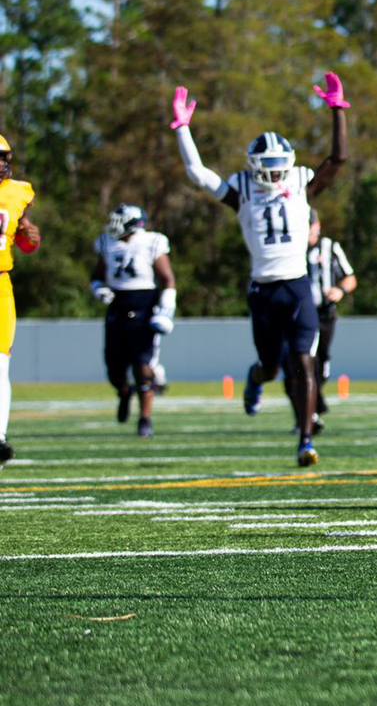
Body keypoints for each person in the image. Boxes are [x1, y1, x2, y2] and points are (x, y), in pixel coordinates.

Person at [170, 76, 348, 467]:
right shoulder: (244, 190)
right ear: (253, 167)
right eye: (264, 168)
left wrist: (338, 110)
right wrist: (183, 129)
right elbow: (199, 174)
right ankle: (254, 380)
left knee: (304, 362)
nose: (271, 175)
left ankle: (305, 439)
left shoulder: (302, 184)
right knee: (270, 365)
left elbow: (337, 161)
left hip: (298, 286)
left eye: (277, 168)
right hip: (264, 290)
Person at [90, 204, 177, 437]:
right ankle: (123, 391)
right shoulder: (106, 243)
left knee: (143, 366)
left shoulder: (151, 241)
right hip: (117, 308)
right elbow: (96, 277)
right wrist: (99, 289)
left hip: (144, 306)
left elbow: (167, 279)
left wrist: (166, 308)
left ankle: (145, 419)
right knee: (114, 370)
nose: (113, 226)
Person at [286, 208, 356, 433]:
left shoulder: (330, 247)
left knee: (319, 363)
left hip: (324, 313)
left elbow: (350, 277)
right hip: (297, 314)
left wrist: (340, 290)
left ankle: (311, 412)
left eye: (310, 225)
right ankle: (307, 416)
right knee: (301, 363)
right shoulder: (289, 249)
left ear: (318, 225)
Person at [0, 135, 41, 468]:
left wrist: (29, 239)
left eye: (4, 157)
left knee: (0, 364)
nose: (1, 163)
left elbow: (20, 240)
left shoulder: (19, 192)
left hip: (1, 283)